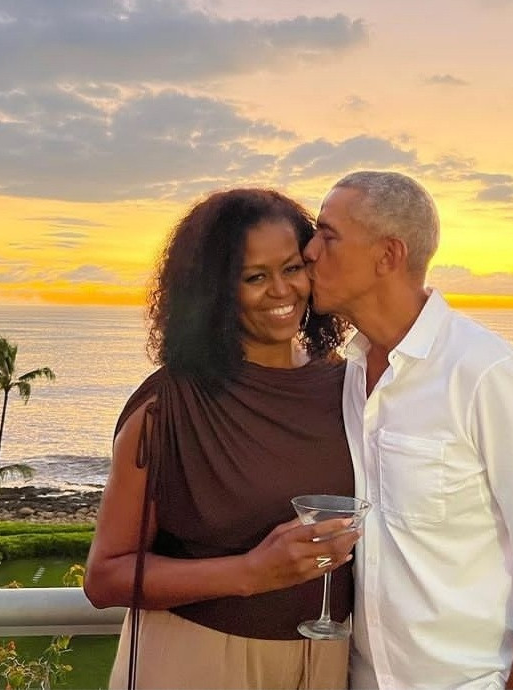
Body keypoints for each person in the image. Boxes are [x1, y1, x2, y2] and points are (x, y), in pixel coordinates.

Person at [302, 170, 513, 690]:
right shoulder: (349, 373)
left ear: (388, 255)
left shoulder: (489, 375)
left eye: (327, 235)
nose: (309, 251)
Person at [85, 188, 359, 690]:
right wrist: (251, 572)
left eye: (293, 268)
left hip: (328, 659)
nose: (282, 290)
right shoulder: (167, 406)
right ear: (214, 291)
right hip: (199, 659)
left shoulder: (349, 385)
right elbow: (105, 577)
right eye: (255, 277)